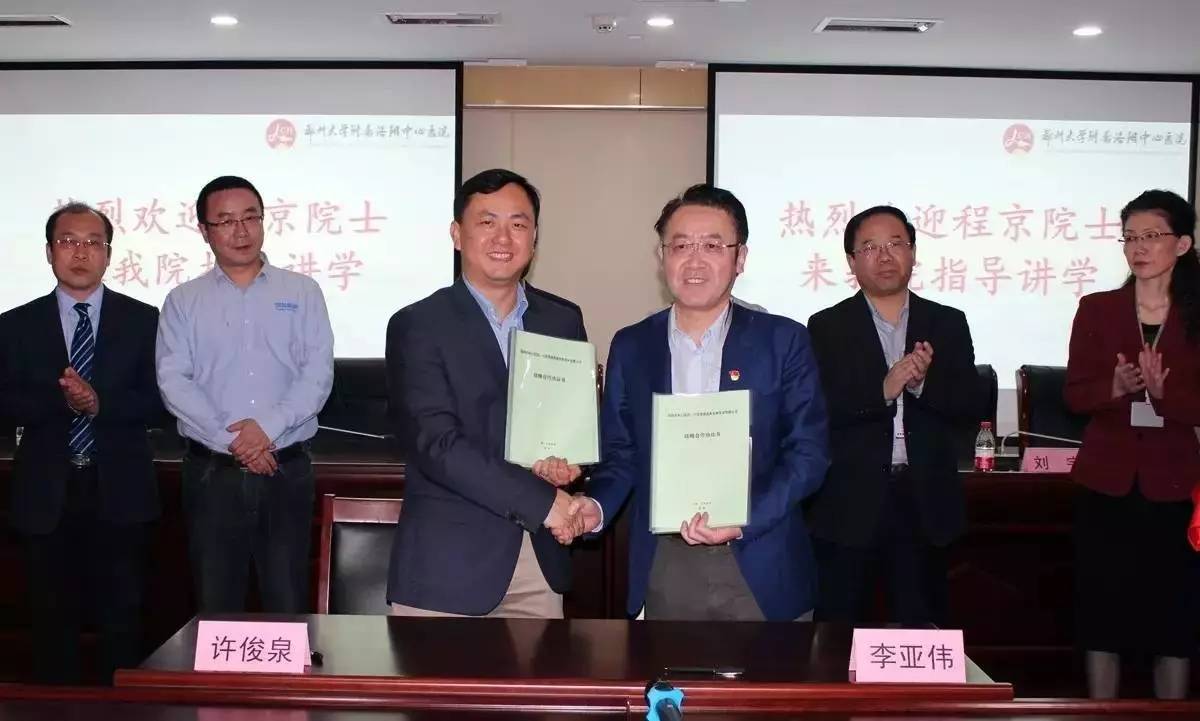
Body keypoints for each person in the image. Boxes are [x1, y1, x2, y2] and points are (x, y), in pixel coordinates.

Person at [561, 184, 829, 621]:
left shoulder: (783, 341)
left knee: (772, 670)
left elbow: (809, 454)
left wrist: (743, 520)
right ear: (662, 256)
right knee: (669, 668)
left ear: (740, 258)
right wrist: (596, 506)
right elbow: (621, 455)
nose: (695, 260)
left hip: (762, 560)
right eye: (681, 245)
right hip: (667, 564)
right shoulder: (632, 345)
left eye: (713, 245)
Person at [385, 168, 588, 618]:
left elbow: (570, 425)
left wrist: (569, 464)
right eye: (487, 222)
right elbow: (436, 445)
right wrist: (542, 501)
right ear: (457, 235)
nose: (503, 237)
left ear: (534, 237)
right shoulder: (417, 325)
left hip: (540, 561)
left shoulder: (562, 320)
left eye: (518, 223)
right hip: (448, 567)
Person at [156, 175, 334, 613]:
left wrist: (266, 431)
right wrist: (236, 441)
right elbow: (174, 381)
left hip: (285, 467)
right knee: (216, 602)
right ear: (205, 231)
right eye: (226, 221)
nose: (241, 231)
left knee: (287, 600)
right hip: (211, 472)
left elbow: (316, 374)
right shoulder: (183, 300)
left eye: (250, 217)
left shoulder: (303, 291)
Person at [0, 203, 162, 683]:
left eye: (93, 242)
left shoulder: (144, 320)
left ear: (108, 254)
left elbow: (161, 403)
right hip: (45, 493)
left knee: (123, 619)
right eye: (68, 241)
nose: (80, 252)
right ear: (49, 252)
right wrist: (65, 401)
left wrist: (99, 404)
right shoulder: (15, 325)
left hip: (122, 491)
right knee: (52, 622)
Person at [806, 205, 981, 628]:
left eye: (895, 244)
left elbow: (968, 406)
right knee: (839, 636)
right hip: (850, 506)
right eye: (869, 247)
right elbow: (818, 411)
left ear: (913, 252)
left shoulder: (947, 323)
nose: (884, 256)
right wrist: (882, 391)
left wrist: (921, 385)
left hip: (924, 503)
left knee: (923, 632)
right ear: (851, 261)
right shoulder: (826, 326)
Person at [1064, 188, 1200, 700]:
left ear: (1182, 244)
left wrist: (1167, 396)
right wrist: (1114, 388)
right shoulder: (1097, 309)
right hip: (1106, 484)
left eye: (1151, 236)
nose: (1138, 247)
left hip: (1176, 486)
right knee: (1102, 615)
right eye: (1129, 237)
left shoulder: (1197, 314)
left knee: (1174, 619)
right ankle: (1101, 712)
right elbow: (1075, 395)